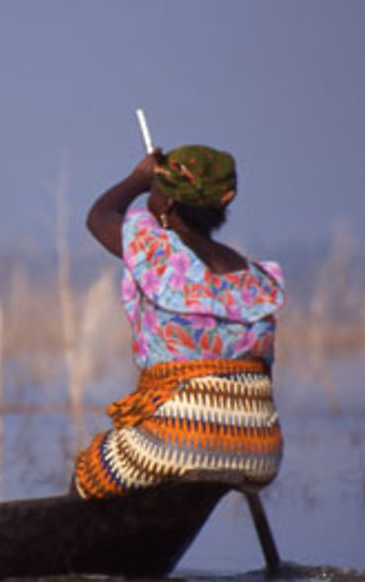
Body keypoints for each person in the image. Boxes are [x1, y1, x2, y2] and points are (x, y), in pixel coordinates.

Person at [73, 145, 285, 498]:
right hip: (260, 449)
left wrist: (137, 180)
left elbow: (100, 216)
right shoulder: (254, 277)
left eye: (155, 192)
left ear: (168, 204)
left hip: (177, 440)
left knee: (94, 469)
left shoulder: (158, 253)